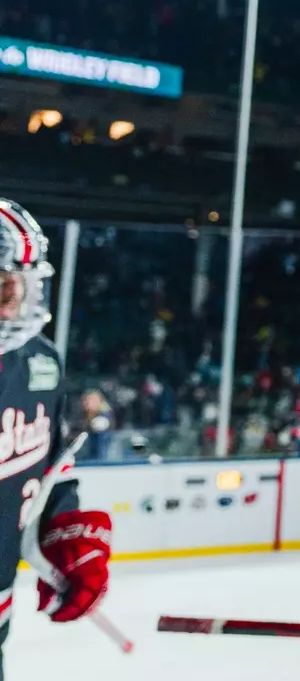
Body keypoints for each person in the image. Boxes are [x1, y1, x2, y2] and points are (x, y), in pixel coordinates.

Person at [0, 199, 112, 681]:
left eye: (21, 280)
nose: (13, 296)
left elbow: (46, 468)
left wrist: (65, 533)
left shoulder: (40, 363)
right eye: (1, 280)